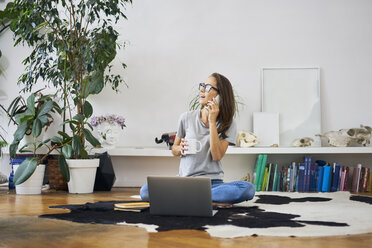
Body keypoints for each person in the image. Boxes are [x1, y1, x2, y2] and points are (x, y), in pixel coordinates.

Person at [140, 73, 255, 204]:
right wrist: (180, 149)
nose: (201, 90)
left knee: (248, 189)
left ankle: (190, 196)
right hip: (185, 181)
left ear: (220, 96)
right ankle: (198, 196)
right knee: (145, 191)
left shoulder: (228, 124)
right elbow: (174, 149)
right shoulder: (186, 117)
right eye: (202, 86)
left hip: (212, 184)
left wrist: (212, 122)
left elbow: (216, 156)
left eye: (207, 87)